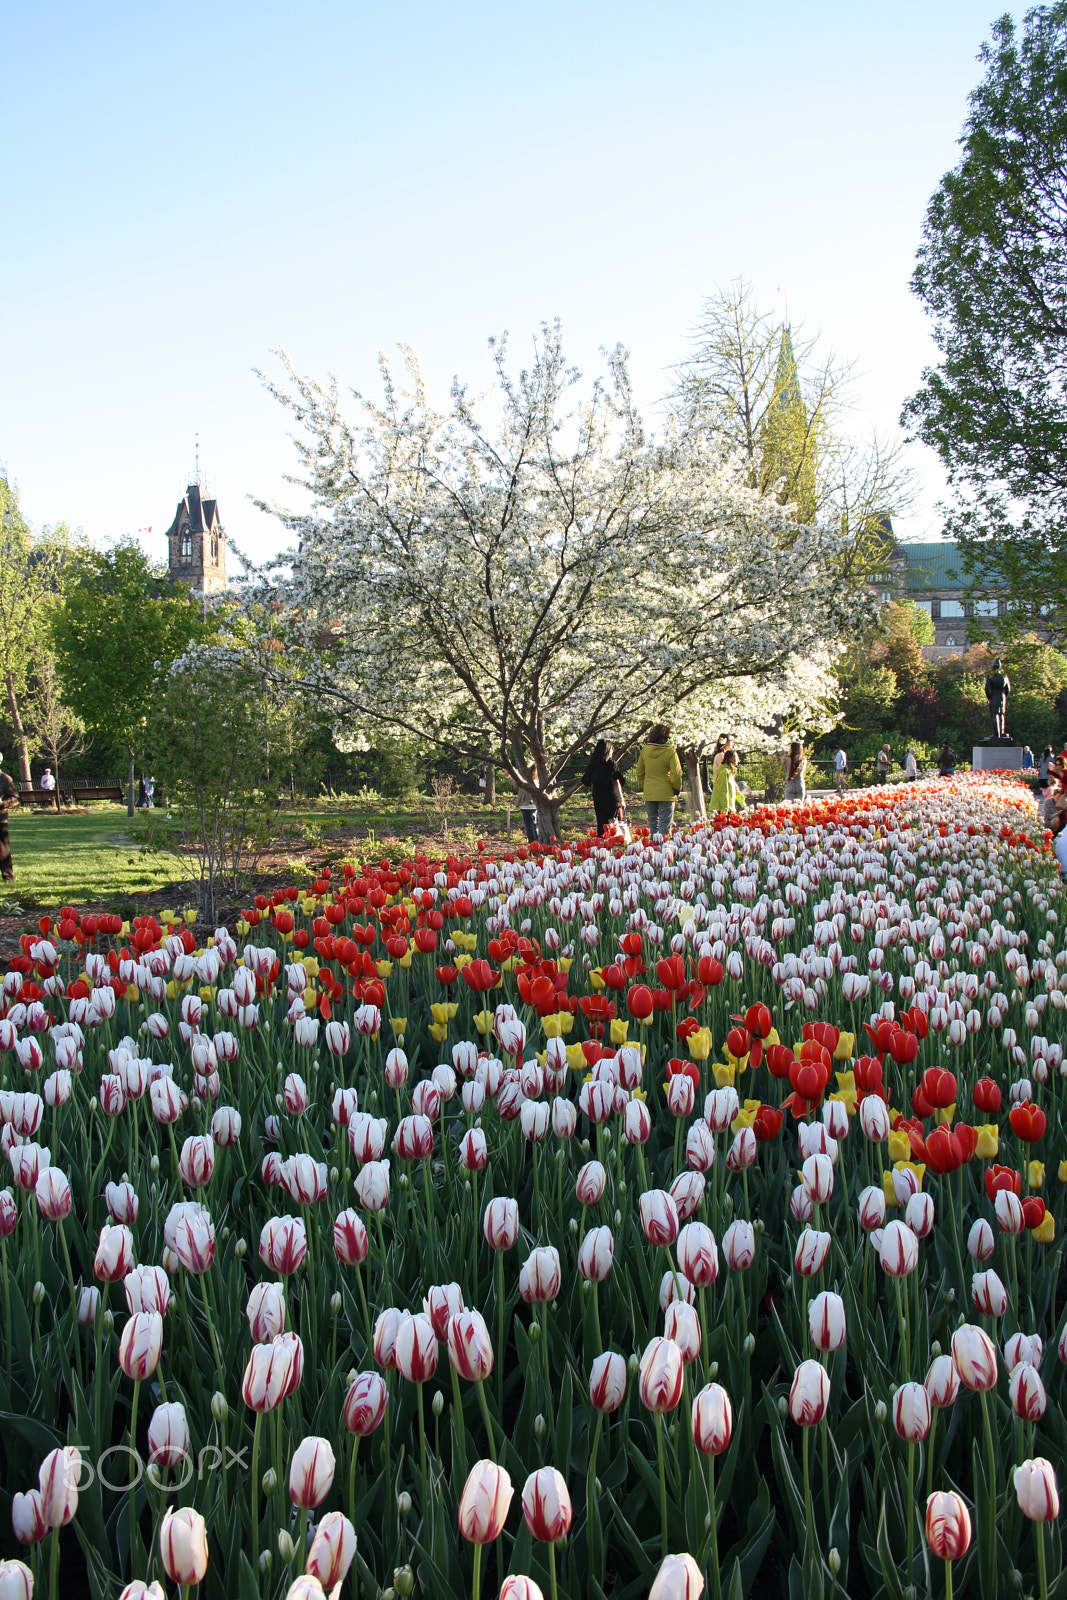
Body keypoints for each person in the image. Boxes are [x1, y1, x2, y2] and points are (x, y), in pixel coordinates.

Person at [635, 724, 683, 837]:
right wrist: (676, 789)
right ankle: (663, 852)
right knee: (664, 828)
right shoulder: (670, 751)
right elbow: (676, 773)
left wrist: (646, 785)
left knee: (653, 826)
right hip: (666, 793)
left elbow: (639, 772)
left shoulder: (645, 751)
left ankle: (653, 851)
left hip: (650, 792)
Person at [582, 739, 626, 837]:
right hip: (610, 797)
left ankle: (601, 843)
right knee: (612, 822)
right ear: (608, 750)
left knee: (601, 823)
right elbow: (615, 782)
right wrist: (621, 799)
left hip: (598, 797)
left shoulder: (593, 765)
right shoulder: (610, 764)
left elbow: (586, 780)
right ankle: (612, 842)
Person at [709, 748, 745, 814]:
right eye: (736, 757)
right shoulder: (724, 773)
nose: (738, 760)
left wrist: (743, 803)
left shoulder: (729, 772)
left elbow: (735, 790)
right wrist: (726, 811)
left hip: (729, 808)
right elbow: (723, 792)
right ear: (730, 758)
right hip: (724, 809)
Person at [0, 753, 18, 882]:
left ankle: (8, 876)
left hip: (0, 818)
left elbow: (15, 798)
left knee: (3, 849)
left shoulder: (5, 779)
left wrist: (2, 804)